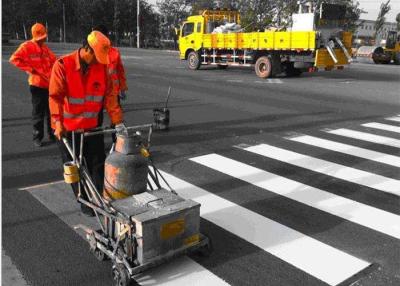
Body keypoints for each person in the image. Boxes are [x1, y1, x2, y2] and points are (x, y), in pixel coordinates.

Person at [49, 31, 125, 216]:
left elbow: (110, 97)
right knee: (74, 167)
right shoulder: (62, 65)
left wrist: (117, 122)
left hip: (92, 128)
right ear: (86, 49)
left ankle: (100, 199)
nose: (99, 61)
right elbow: (55, 97)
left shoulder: (102, 68)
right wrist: (57, 122)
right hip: (68, 130)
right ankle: (83, 200)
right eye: (96, 56)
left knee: (97, 164)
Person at [10, 23, 57, 147]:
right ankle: (37, 136)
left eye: (44, 37)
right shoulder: (26, 46)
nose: (44, 39)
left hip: (48, 84)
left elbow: (55, 61)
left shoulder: (45, 48)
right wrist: (30, 69)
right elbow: (14, 59)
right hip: (36, 85)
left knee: (50, 111)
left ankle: (52, 134)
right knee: (38, 112)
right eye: (42, 37)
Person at [92, 25, 128, 139]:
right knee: (96, 119)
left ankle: (117, 141)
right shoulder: (91, 52)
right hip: (96, 92)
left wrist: (122, 88)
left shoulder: (114, 52)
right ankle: (96, 142)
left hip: (112, 91)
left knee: (116, 118)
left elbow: (120, 71)